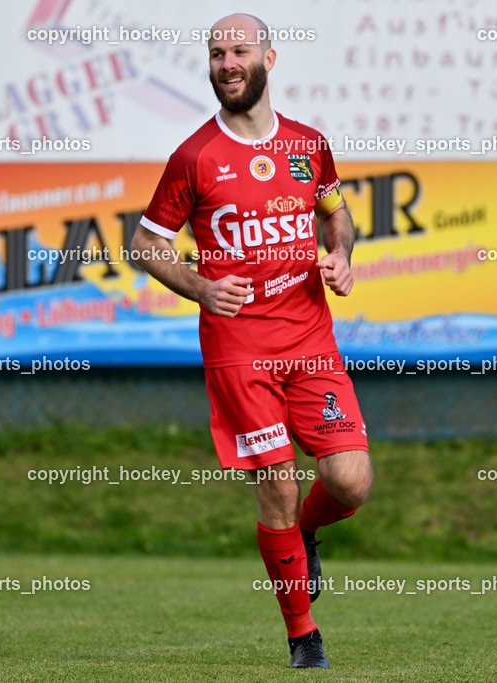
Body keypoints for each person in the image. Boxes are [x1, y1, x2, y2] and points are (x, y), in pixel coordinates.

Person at [132, 12, 373, 670]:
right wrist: (201, 288)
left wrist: (340, 255)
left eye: (238, 50)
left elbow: (337, 215)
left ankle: (307, 533)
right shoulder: (194, 156)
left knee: (349, 480)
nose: (226, 63)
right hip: (240, 349)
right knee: (277, 480)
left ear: (269, 56)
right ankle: (303, 633)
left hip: (311, 340)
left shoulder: (308, 145)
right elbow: (147, 245)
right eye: (215, 53)